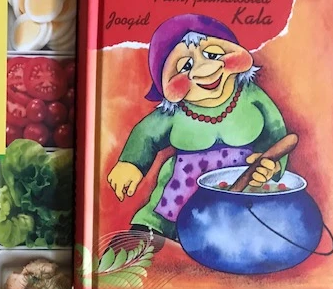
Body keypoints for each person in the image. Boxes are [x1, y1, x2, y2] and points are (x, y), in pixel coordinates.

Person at [107, 14, 288, 250]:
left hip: (242, 182)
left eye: (213, 55)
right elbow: (147, 134)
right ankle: (149, 232)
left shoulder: (251, 95)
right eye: (185, 66)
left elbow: (276, 132)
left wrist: (271, 165)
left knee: (242, 223)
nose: (204, 69)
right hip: (182, 186)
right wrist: (131, 163)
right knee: (160, 213)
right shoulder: (174, 113)